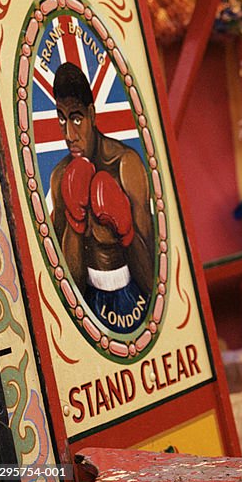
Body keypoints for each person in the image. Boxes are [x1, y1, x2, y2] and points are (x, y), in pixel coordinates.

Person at [49, 61, 154, 334]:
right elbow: (67, 283)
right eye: (61, 118)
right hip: (90, 308)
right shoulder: (61, 176)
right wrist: (75, 222)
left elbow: (152, 278)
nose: (69, 135)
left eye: (75, 118)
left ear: (92, 114)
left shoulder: (125, 164)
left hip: (135, 301)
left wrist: (127, 233)